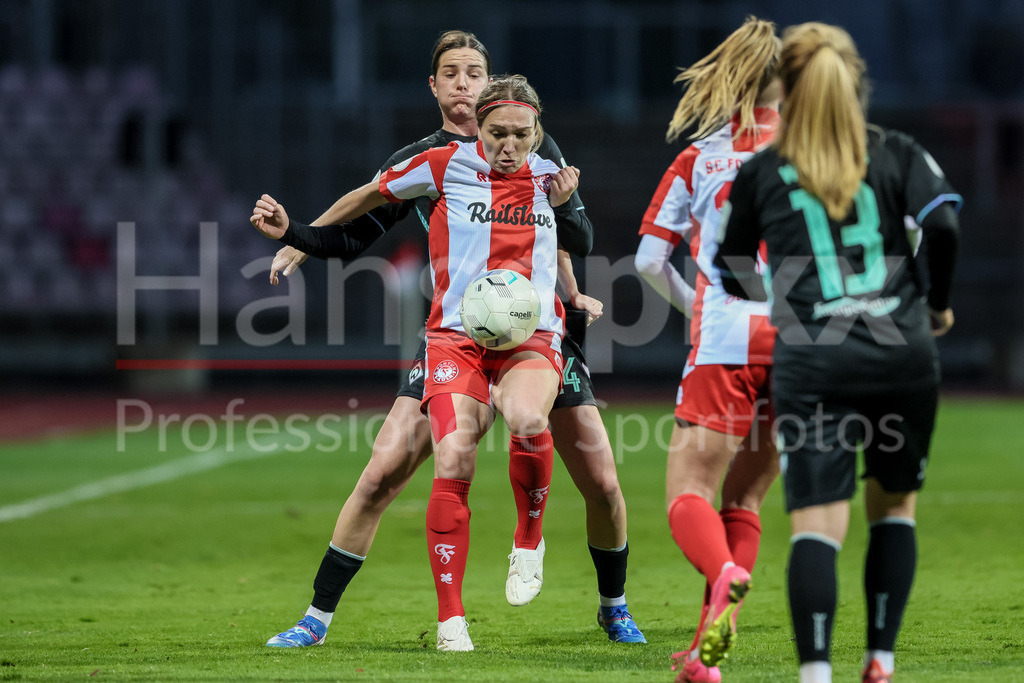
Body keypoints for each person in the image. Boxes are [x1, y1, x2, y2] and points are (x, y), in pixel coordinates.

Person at [252, 68, 642, 651]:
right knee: (412, 466)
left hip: (534, 335)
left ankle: (554, 561)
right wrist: (299, 236)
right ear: (441, 92)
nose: (508, 144)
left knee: (598, 480)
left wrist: (565, 225)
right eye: (495, 132)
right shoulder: (434, 164)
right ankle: (374, 619)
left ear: (532, 127)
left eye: (519, 132)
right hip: (455, 337)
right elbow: (366, 204)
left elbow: (578, 242)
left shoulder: (549, 169)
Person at [713, 22, 960, 683]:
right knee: (893, 507)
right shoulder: (895, 152)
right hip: (899, 352)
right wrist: (933, 302)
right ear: (857, 84)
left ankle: (816, 671)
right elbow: (941, 222)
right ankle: (879, 657)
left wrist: (788, 301)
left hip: (813, 360)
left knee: (816, 525)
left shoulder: (764, 170)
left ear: (784, 91)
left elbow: (730, 267)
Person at [633, 16, 781, 682]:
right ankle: (702, 656)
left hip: (725, 333)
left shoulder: (700, 157)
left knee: (687, 492)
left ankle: (722, 571)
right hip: (805, 340)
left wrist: (695, 305)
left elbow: (646, 260)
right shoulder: (822, 152)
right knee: (744, 502)